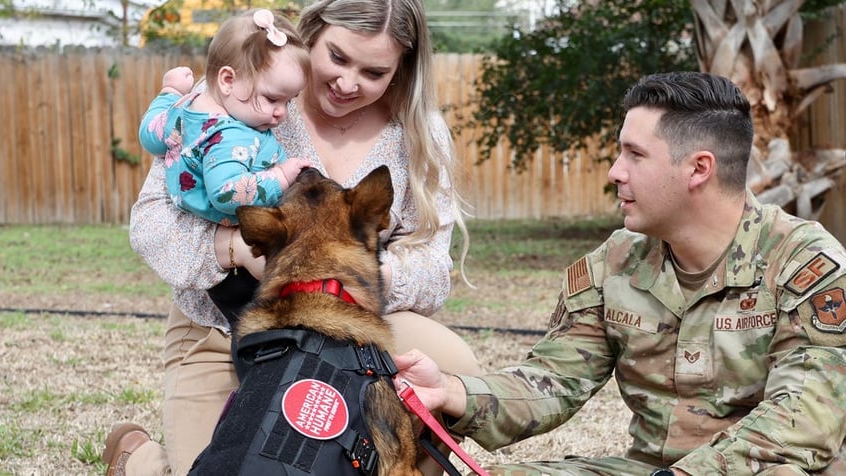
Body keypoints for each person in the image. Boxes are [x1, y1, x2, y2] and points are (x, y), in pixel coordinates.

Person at [393, 71, 846, 476]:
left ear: (698, 168)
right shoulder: (616, 262)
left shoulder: (804, 264)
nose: (615, 172)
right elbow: (555, 379)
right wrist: (451, 390)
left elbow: (802, 418)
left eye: (634, 155)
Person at [103, 1, 482, 475]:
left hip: (346, 330)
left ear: (401, 69)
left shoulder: (418, 135)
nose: (348, 84)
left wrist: (348, 270)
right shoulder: (240, 93)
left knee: (455, 375)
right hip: (225, 325)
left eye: (373, 71)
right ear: (313, 34)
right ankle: (138, 458)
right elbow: (151, 222)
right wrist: (235, 250)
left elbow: (432, 267)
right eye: (338, 59)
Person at [137, 9, 310, 227]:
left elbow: (149, 136)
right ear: (228, 80)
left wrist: (169, 92)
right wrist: (281, 177)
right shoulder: (228, 137)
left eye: (289, 101)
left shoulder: (185, 107)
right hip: (234, 227)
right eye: (271, 99)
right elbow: (225, 193)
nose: (282, 112)